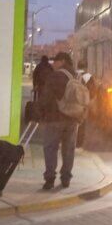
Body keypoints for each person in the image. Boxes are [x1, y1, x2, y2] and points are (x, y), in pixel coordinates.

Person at [37, 52, 80, 190]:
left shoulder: (55, 76)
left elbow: (45, 98)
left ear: (62, 61)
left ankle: (50, 179)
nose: (53, 64)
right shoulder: (77, 76)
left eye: (55, 61)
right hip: (73, 118)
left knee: (50, 148)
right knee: (68, 149)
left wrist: (39, 112)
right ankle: (66, 178)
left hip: (54, 118)